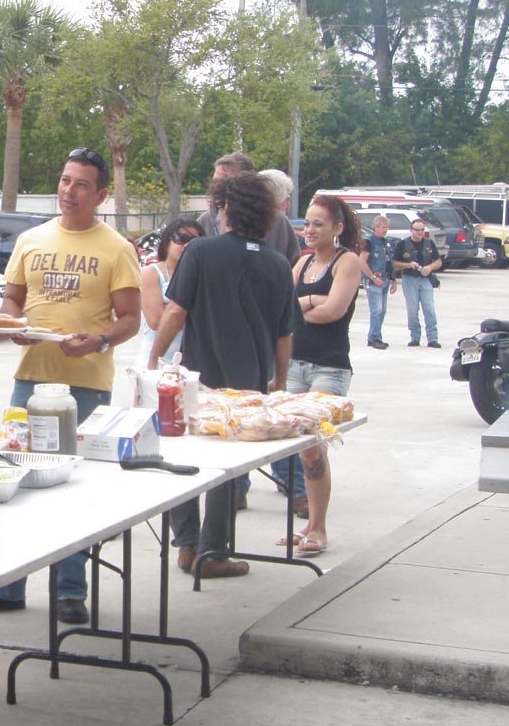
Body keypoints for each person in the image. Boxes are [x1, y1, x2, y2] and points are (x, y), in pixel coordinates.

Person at [0, 147, 142, 624]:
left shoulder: (116, 248)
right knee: (16, 478)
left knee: (73, 487)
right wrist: (14, 324)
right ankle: (9, 585)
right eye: (64, 180)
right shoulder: (31, 239)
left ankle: (69, 591)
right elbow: (12, 300)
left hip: (86, 385)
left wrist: (100, 341)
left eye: (81, 184)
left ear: (100, 195)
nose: (69, 191)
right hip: (30, 380)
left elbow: (131, 318)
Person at [150, 171, 296, 578]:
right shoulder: (279, 265)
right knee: (227, 472)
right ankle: (213, 553)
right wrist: (280, 382)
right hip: (247, 389)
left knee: (182, 460)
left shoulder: (201, 251)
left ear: (226, 208)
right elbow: (285, 336)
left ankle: (187, 545)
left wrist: (155, 358)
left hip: (197, 382)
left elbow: (176, 312)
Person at [271, 194, 363, 555]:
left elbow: (334, 311)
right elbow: (283, 311)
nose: (309, 230)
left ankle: (319, 528)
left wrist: (303, 306)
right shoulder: (302, 262)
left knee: (313, 446)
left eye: (318, 224)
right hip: (294, 364)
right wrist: (311, 301)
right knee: (296, 444)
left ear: (337, 228)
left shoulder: (347, 262)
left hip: (329, 367)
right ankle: (306, 526)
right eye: (306, 223)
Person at [197, 155, 302, 266]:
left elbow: (293, 267)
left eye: (224, 181)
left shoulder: (277, 221)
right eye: (215, 181)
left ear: (247, 182)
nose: (216, 187)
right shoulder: (205, 221)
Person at [137, 217, 203, 370]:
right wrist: (191, 310)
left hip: (192, 366)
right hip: (154, 363)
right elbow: (156, 321)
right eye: (180, 239)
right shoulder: (151, 273)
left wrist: (172, 308)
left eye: (194, 241)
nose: (186, 245)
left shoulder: (203, 275)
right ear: (167, 242)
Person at [394, 220, 443, 347]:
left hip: (426, 279)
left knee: (429, 309)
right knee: (412, 310)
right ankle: (415, 337)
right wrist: (408, 265)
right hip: (409, 279)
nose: (420, 232)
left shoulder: (429, 243)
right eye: (417, 230)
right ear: (411, 230)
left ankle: (432, 338)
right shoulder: (403, 244)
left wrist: (430, 267)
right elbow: (395, 263)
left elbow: (438, 261)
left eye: (422, 230)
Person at [360, 215, 398, 349]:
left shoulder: (385, 242)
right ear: (374, 227)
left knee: (382, 310)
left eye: (386, 228)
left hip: (385, 279)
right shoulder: (368, 242)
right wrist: (372, 277)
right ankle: (375, 338)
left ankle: (374, 336)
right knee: (377, 310)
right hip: (373, 280)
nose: (384, 230)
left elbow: (389, 262)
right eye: (382, 227)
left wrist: (394, 280)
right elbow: (361, 261)